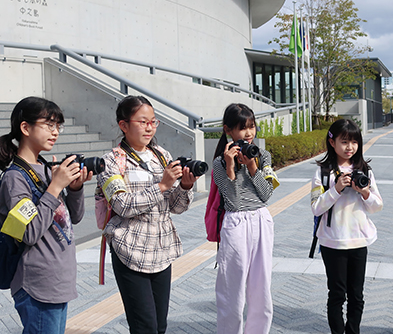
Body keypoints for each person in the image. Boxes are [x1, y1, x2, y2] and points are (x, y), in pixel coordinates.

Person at [96, 95, 198, 334]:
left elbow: (177, 207)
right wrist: (161, 186)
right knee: (145, 327)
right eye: (143, 122)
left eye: (153, 122)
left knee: (160, 326)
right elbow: (122, 205)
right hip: (129, 248)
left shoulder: (162, 155)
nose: (149, 127)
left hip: (161, 249)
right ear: (124, 125)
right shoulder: (111, 162)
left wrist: (184, 186)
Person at [0, 96, 92, 334]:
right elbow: (28, 232)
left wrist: (74, 188)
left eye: (58, 126)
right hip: (36, 283)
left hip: (57, 278)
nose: (56, 132)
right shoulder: (15, 178)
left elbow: (74, 217)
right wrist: (55, 187)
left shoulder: (46, 169)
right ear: (25, 127)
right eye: (49, 124)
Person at [310, 119, 383, 334]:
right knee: (337, 294)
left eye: (354, 142)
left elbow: (377, 206)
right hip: (333, 242)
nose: (349, 147)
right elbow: (315, 207)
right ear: (332, 143)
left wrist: (364, 192)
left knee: (356, 295)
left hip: (359, 240)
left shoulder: (365, 171)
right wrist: (336, 189)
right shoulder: (323, 173)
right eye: (344, 141)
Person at [213, 103, 279, 334]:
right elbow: (232, 201)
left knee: (261, 286)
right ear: (228, 130)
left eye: (251, 127)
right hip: (236, 223)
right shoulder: (219, 163)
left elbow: (266, 194)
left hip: (261, 219)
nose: (249, 133)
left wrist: (252, 165)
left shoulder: (263, 156)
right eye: (242, 128)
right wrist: (231, 167)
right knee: (232, 288)